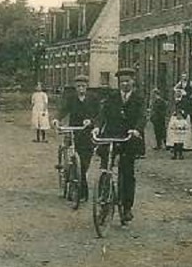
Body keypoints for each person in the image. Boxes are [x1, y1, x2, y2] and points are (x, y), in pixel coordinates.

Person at [95, 68, 145, 224]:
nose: (124, 84)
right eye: (121, 81)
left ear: (133, 82)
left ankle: (127, 207)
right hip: (111, 136)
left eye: (127, 81)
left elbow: (142, 116)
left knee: (127, 173)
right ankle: (103, 204)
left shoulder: (138, 99)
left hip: (128, 139)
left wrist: (137, 129)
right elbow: (102, 114)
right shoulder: (112, 97)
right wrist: (97, 126)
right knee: (105, 168)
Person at [53, 74, 102, 203]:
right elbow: (63, 110)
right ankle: (73, 186)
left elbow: (99, 115)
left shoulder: (93, 99)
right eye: (79, 86)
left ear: (87, 87)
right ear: (75, 87)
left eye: (83, 86)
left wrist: (91, 122)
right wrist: (56, 119)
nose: (81, 88)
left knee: (84, 165)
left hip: (88, 134)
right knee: (72, 161)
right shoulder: (71, 98)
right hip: (75, 132)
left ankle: (80, 189)